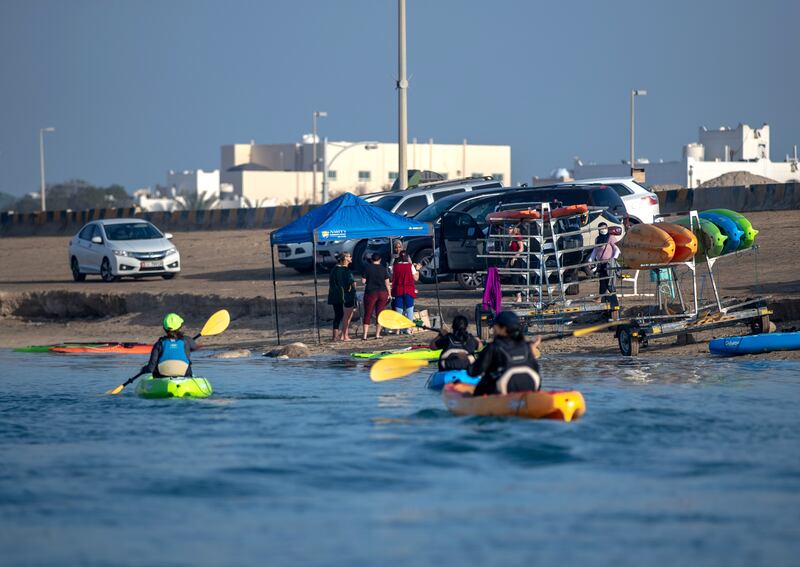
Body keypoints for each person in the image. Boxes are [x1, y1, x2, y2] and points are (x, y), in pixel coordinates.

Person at [469, 311, 541, 397]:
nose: (493, 328)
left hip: (504, 389)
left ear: (503, 329)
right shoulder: (526, 347)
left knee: (485, 380)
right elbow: (536, 369)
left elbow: (473, 372)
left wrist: (467, 360)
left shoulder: (493, 347)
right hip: (531, 386)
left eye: (495, 326)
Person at [141, 313, 198, 378]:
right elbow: (194, 347)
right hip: (185, 375)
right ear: (180, 327)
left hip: (162, 376)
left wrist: (143, 369)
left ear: (164, 328)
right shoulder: (187, 340)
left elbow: (150, 368)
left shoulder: (159, 344)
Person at [588, 222, 620, 310]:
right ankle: (602, 298)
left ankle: (614, 299)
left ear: (607, 228)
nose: (603, 230)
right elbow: (595, 250)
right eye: (601, 228)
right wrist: (591, 259)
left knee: (610, 281)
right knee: (602, 281)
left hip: (609, 263)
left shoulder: (611, 237)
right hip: (601, 263)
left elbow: (617, 249)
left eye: (604, 228)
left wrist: (613, 258)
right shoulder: (598, 239)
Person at [327, 252, 357, 341]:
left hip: (334, 294)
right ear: (345, 258)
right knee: (345, 315)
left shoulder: (334, 269)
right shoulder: (345, 270)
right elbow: (350, 283)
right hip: (344, 295)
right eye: (349, 256)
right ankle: (344, 335)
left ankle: (335, 336)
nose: (351, 257)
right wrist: (353, 286)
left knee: (338, 315)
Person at [361, 253, 391, 340]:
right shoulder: (383, 268)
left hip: (371, 292)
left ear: (371, 259)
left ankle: (365, 335)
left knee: (368, 313)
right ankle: (377, 334)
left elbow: (363, 281)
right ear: (380, 259)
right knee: (380, 313)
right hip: (383, 292)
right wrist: (389, 293)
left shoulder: (367, 268)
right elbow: (387, 283)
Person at [391, 250, 419, 333]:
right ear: (407, 257)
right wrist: (418, 270)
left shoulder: (395, 266)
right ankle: (408, 328)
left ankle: (398, 329)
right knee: (409, 309)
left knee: (398, 309)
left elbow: (392, 277)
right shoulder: (410, 266)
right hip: (409, 290)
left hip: (398, 289)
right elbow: (415, 278)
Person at [507, 224, 526, 302]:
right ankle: (518, 295)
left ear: (514, 229)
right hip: (511, 259)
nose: (508, 230)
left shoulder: (517, 236)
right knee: (513, 278)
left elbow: (521, 248)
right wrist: (509, 261)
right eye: (508, 229)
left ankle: (519, 297)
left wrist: (515, 257)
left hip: (517, 259)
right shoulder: (511, 238)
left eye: (510, 229)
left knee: (515, 278)